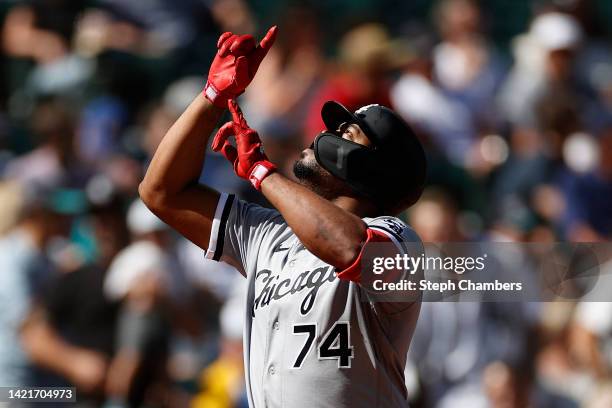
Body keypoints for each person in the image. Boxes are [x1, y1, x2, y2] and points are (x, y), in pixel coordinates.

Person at [139, 27, 427, 407]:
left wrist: (262, 172)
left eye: (348, 132)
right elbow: (160, 192)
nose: (327, 134)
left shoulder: (399, 239)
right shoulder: (271, 235)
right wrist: (213, 97)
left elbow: (349, 248)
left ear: (374, 167)